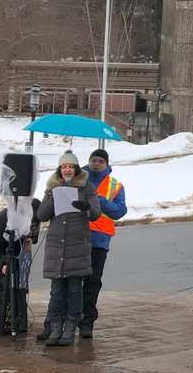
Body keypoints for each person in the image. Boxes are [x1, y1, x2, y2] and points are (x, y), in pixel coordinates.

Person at [36, 152, 101, 347]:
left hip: (76, 246)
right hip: (57, 246)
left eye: (71, 167)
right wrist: (54, 197)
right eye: (64, 167)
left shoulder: (87, 187)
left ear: (76, 169)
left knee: (74, 290)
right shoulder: (52, 188)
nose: (67, 170)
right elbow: (42, 214)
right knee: (56, 290)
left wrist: (85, 207)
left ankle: (70, 328)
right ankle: (55, 327)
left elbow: (96, 214)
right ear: (59, 170)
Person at [80, 148, 127, 339]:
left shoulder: (115, 185)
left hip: (99, 240)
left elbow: (120, 211)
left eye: (100, 161)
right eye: (94, 160)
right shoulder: (78, 179)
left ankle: (87, 322)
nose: (96, 164)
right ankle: (68, 319)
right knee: (72, 281)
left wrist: (100, 201)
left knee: (92, 282)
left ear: (106, 164)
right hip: (77, 237)